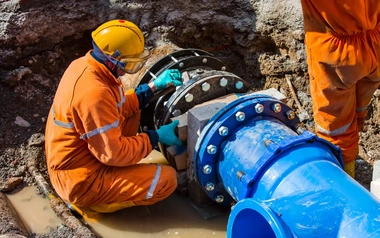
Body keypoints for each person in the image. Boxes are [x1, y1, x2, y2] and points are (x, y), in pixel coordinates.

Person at [45, 19, 183, 218]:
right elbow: (113, 154)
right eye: (128, 63)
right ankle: (91, 206)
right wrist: (155, 137)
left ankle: (117, 177)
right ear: (112, 59)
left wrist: (152, 88)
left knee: (134, 110)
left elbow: (118, 107)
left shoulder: (89, 67)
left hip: (84, 157)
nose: (128, 69)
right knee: (166, 180)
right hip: (80, 180)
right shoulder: (94, 93)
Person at [300, 1, 380, 178]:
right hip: (375, 40)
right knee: (360, 101)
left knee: (336, 127)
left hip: (335, 51)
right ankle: (358, 126)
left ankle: (345, 177)